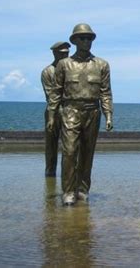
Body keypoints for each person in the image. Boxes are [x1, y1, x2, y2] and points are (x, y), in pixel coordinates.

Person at [47, 23, 113, 206]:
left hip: (93, 111)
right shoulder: (64, 64)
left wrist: (108, 115)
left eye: (90, 38)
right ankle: (68, 191)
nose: (87, 41)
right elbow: (55, 92)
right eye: (82, 38)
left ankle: (83, 189)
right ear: (75, 41)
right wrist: (52, 116)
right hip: (70, 110)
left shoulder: (102, 65)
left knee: (87, 153)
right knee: (69, 151)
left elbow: (106, 93)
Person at [41, 41, 70, 177]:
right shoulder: (47, 72)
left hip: (69, 112)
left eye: (67, 53)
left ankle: (68, 175)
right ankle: (50, 173)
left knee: (69, 146)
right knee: (51, 146)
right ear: (55, 53)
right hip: (53, 111)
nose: (65, 56)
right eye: (62, 53)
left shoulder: (71, 71)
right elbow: (50, 94)